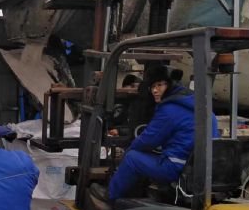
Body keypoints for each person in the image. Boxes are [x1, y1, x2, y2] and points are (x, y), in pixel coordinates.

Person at [93, 66, 218, 202]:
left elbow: (148, 140)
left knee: (131, 158)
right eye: (152, 86)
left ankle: (110, 195)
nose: (155, 90)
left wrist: (128, 150)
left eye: (159, 85)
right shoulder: (200, 106)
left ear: (170, 85)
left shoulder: (169, 109)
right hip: (198, 168)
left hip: (176, 167)